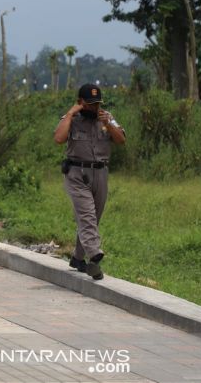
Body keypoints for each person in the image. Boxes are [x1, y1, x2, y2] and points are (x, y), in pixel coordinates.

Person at [53, 84, 126, 281]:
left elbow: (121, 140)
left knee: (93, 218)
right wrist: (70, 114)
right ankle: (94, 254)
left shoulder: (106, 117)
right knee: (87, 216)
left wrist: (109, 124)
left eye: (97, 104)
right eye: (90, 104)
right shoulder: (72, 119)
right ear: (80, 103)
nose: (94, 108)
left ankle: (77, 258)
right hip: (77, 173)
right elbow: (59, 138)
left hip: (100, 173)